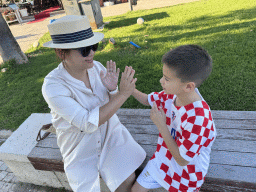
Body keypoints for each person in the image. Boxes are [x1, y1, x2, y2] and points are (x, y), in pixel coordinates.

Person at [42, 15, 146, 192]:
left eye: (93, 46)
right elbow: (87, 124)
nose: (91, 53)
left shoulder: (96, 67)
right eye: (84, 49)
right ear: (61, 53)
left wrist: (112, 91)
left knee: (128, 179)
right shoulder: (53, 86)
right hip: (80, 144)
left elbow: (110, 109)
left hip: (110, 134)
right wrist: (123, 94)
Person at [131, 45, 217, 192]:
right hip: (162, 160)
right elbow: (148, 99)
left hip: (187, 175)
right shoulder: (172, 94)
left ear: (189, 87)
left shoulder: (198, 119)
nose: (161, 81)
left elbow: (183, 160)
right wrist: (130, 89)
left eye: (167, 79)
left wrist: (161, 126)